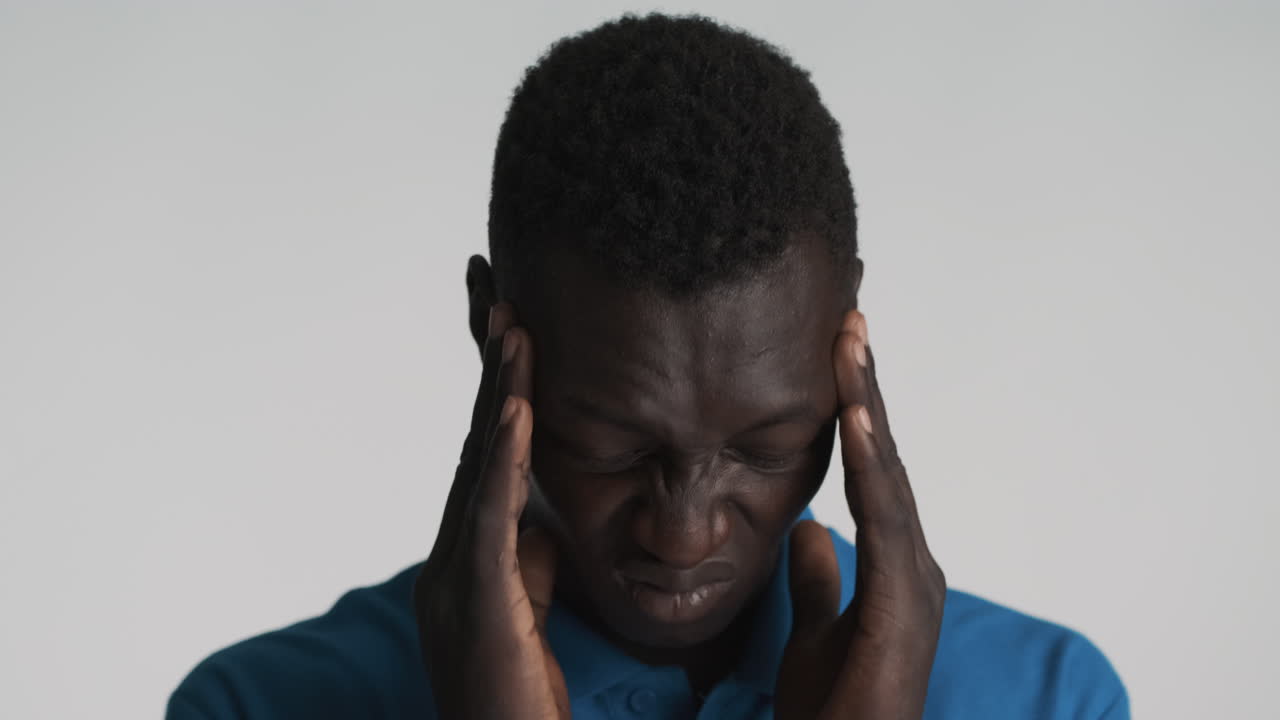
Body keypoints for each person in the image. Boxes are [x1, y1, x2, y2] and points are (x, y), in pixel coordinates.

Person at [167, 12, 1128, 720]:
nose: (683, 534)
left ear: (851, 350)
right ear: (491, 335)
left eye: (766, 446)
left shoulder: (1052, 699)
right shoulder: (257, 706)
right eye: (614, 446)